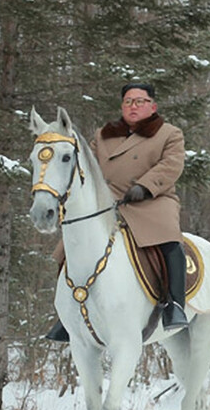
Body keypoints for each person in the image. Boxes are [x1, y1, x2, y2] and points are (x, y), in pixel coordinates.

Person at [46, 83, 189, 341]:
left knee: (170, 242)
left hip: (151, 201)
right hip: (107, 203)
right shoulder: (104, 135)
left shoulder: (169, 134)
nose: (133, 106)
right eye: (128, 101)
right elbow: (86, 165)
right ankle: (67, 314)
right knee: (69, 246)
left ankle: (175, 305)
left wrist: (144, 186)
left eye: (140, 101)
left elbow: (172, 165)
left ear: (152, 106)